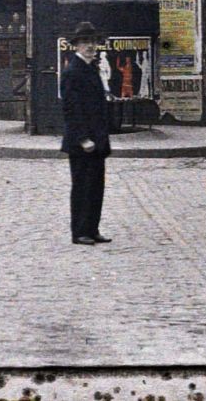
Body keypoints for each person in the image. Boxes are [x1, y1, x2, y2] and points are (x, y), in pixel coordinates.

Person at [60, 21, 112, 246]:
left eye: (93, 42)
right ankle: (80, 231)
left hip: (97, 139)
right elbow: (71, 109)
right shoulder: (73, 71)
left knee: (96, 186)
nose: (90, 46)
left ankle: (92, 228)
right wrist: (83, 138)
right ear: (76, 46)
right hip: (83, 142)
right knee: (82, 186)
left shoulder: (91, 68)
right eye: (85, 43)